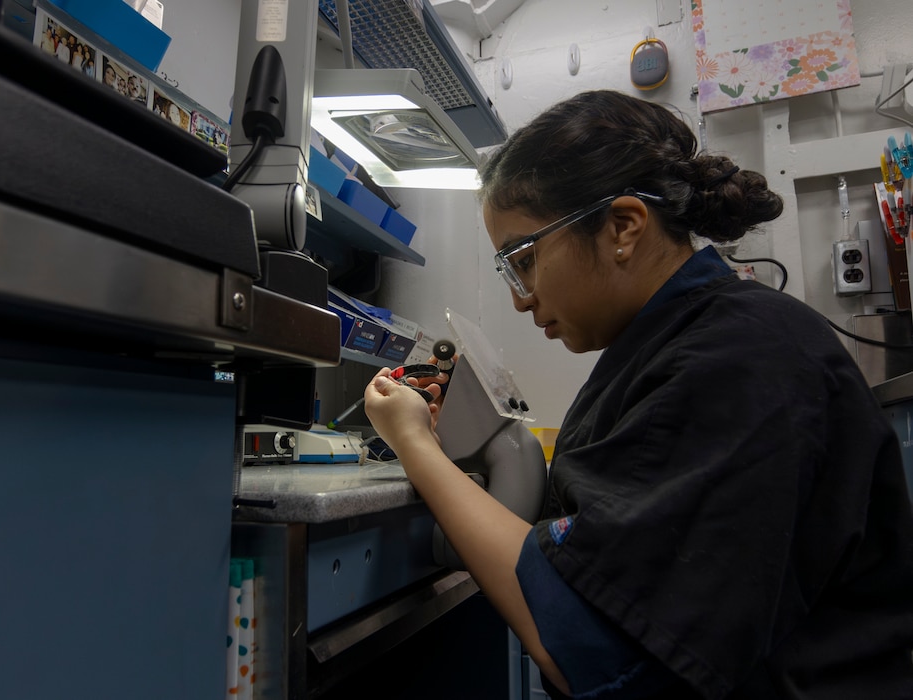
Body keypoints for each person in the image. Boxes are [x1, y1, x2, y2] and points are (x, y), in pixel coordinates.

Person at [363, 90, 913, 699]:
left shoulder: (740, 356)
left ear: (623, 226)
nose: (521, 297)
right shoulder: (680, 343)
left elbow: (593, 643)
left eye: (523, 259)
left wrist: (413, 442)